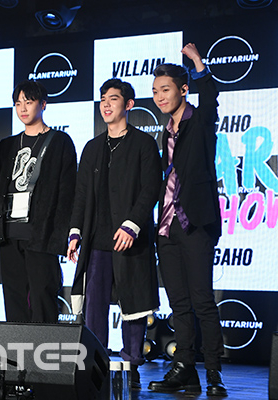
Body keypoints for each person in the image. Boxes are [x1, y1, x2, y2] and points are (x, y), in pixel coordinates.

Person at [66, 78, 162, 389]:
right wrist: (75, 233)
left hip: (130, 239)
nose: (106, 104)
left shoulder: (144, 144)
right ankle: (97, 367)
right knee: (94, 307)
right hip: (97, 241)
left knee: (133, 303)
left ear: (129, 105)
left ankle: (131, 366)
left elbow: (151, 188)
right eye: (103, 99)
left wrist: (132, 224)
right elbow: (81, 195)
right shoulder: (92, 147)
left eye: (114, 98)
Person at [147, 43, 227, 396]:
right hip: (166, 227)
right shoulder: (164, 132)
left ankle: (214, 373)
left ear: (183, 89)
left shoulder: (200, 122)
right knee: (178, 303)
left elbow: (210, 98)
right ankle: (185, 369)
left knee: (202, 301)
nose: (159, 97)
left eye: (165, 90)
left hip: (195, 223)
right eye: (155, 92)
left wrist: (197, 62)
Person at [0, 80, 77, 324]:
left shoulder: (60, 141)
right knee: (13, 300)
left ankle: (45, 348)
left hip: (42, 235)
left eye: (29, 101)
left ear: (43, 104)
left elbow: (67, 192)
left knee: (43, 297)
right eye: (18, 103)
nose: (22, 108)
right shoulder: (8, 145)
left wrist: (65, 234)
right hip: (9, 234)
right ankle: (19, 348)